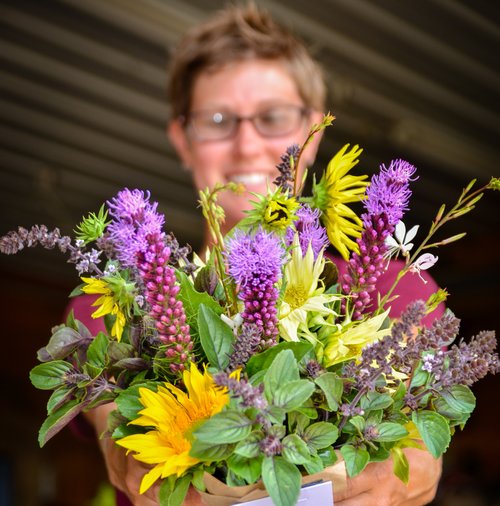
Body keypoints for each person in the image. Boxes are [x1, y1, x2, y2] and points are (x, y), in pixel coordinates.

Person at [70, 3, 443, 505]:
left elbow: (422, 452)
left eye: (273, 116)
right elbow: (112, 429)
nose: (247, 145)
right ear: (183, 138)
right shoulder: (117, 301)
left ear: (313, 131)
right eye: (217, 119)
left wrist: (406, 468)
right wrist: (131, 455)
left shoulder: (398, 292)